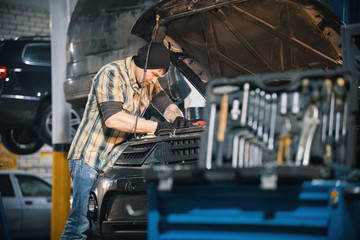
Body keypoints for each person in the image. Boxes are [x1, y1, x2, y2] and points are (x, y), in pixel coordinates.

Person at [60, 42, 191, 239]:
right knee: (80, 224)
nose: (155, 80)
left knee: (102, 227)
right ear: (144, 64)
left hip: (112, 163)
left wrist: (177, 118)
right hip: (89, 158)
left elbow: (166, 105)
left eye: (158, 77)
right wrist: (157, 127)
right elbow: (114, 118)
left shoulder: (148, 82)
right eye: (154, 74)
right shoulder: (112, 74)